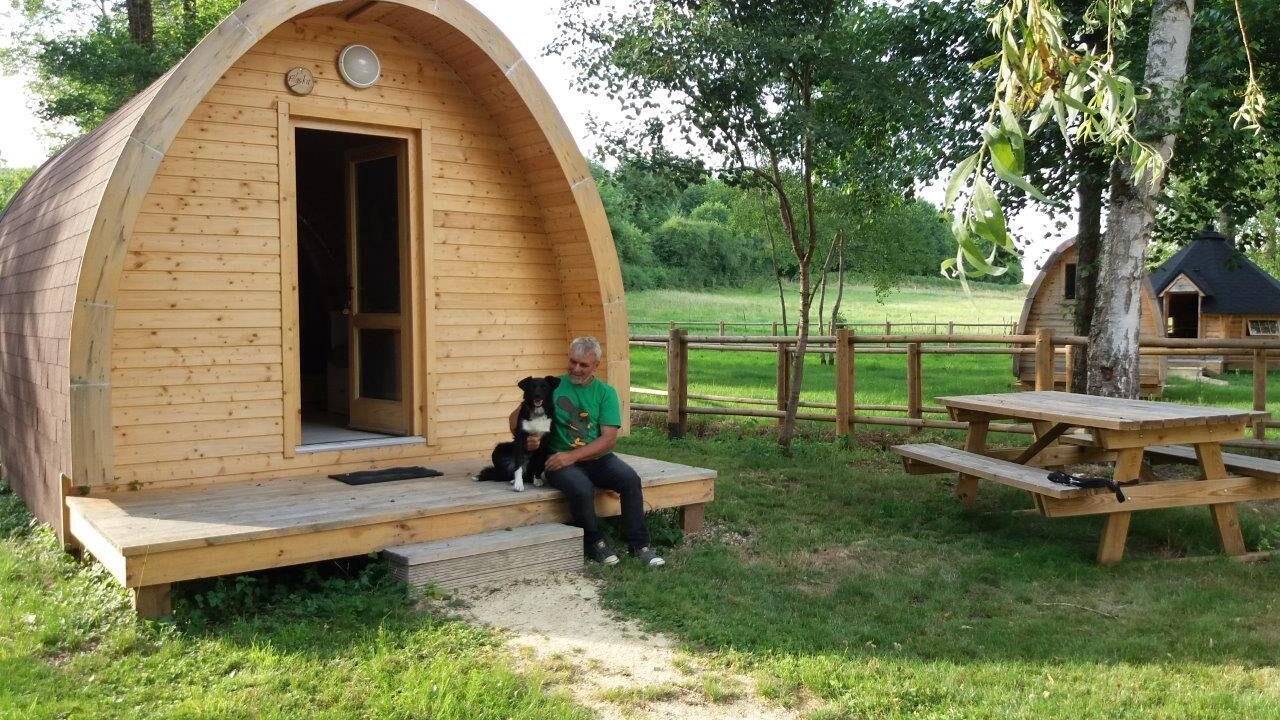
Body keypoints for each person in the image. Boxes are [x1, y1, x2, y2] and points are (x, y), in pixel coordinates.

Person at [511, 336, 664, 567]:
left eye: (583, 365)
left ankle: (639, 545)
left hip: (596, 458)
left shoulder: (605, 393)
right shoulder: (552, 385)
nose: (576, 368)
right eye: (572, 362)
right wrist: (528, 439)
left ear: (596, 366)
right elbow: (514, 419)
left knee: (630, 480)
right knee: (582, 488)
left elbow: (608, 438)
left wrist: (572, 456)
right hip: (557, 460)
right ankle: (595, 543)